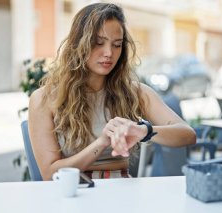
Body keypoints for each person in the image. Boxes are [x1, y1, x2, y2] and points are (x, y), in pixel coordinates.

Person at [28, 3, 196, 181]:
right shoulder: (44, 99)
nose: (109, 53)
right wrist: (101, 142)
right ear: (78, 44)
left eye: (117, 45)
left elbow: (187, 134)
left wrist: (143, 131)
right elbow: (49, 174)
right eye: (98, 43)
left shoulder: (134, 92)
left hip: (122, 191)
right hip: (73, 191)